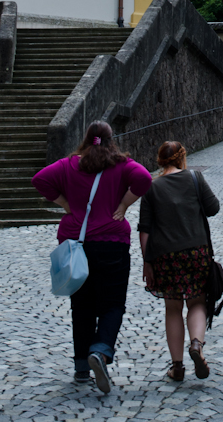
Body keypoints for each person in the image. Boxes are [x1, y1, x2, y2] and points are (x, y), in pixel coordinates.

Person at [32, 120, 151, 393]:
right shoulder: (121, 165)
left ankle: (81, 367)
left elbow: (39, 179)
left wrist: (66, 204)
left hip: (76, 244)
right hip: (112, 242)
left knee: (82, 305)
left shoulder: (68, 164)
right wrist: (123, 204)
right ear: (111, 139)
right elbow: (145, 178)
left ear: (86, 137)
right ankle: (100, 349)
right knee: (112, 304)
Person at [139, 141, 220, 383]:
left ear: (160, 160)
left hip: (166, 256)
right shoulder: (195, 178)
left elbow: (145, 230)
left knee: (173, 308)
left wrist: (147, 262)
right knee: (197, 302)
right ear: (182, 157)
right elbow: (213, 208)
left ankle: (177, 367)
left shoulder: (151, 188)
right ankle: (196, 344)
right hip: (196, 251)